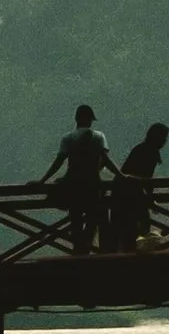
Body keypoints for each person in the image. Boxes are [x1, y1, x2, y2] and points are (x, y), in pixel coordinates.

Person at [41, 105, 118, 250]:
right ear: (90, 120)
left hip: (73, 184)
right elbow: (105, 160)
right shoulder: (99, 137)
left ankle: (78, 249)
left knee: (75, 218)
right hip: (93, 184)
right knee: (92, 219)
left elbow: (58, 162)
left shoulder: (68, 138)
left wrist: (42, 181)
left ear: (76, 119)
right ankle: (86, 248)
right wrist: (120, 175)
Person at [106, 120, 169, 250]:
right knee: (138, 228)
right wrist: (151, 199)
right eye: (164, 138)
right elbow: (147, 181)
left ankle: (122, 258)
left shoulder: (141, 149)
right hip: (130, 197)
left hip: (121, 194)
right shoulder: (150, 153)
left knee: (125, 231)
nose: (165, 141)